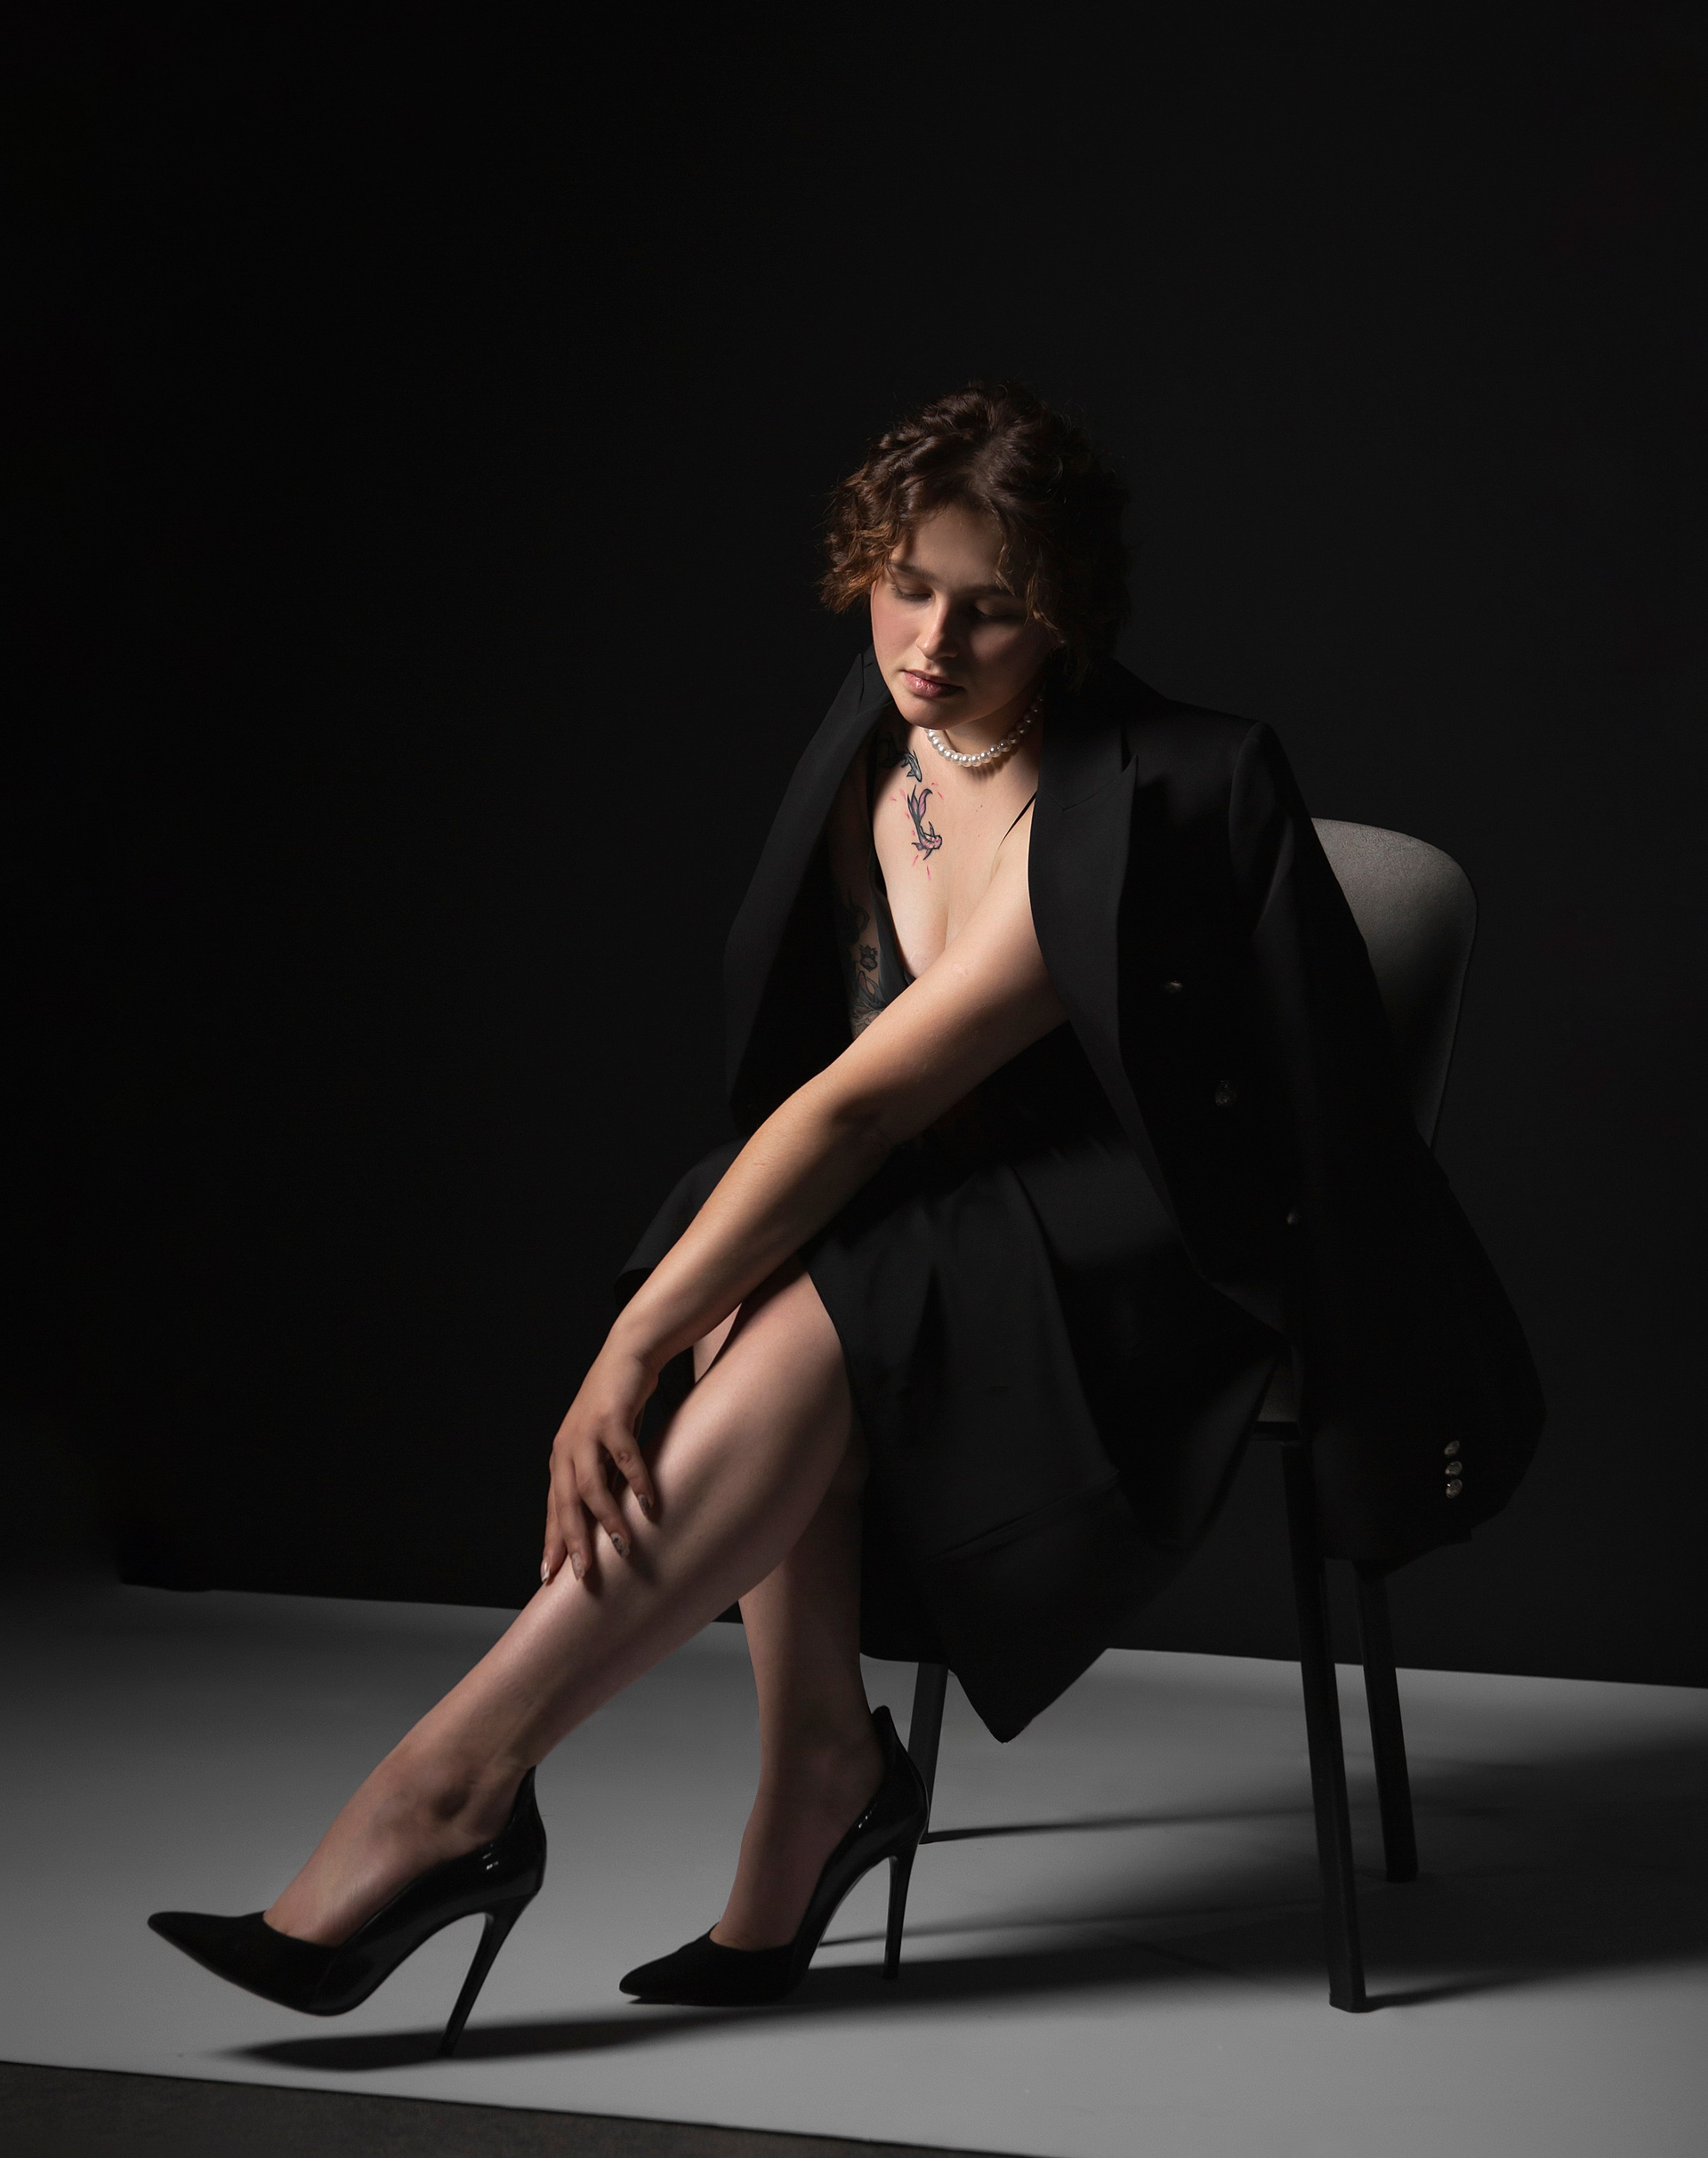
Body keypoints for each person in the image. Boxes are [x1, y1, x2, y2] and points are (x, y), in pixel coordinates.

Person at [149, 382, 1543, 2046]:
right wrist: (694, 1292)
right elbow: (830, 1078)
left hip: (1184, 1228)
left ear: (1069, 611)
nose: (933, 642)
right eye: (907, 585)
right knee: (773, 1268)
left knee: (805, 1290)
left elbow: (863, 1102)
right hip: (973, 1183)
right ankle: (813, 1759)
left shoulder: (1153, 790)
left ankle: (453, 1785)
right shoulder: (877, 737)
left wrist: (629, 1344)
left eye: (992, 605)